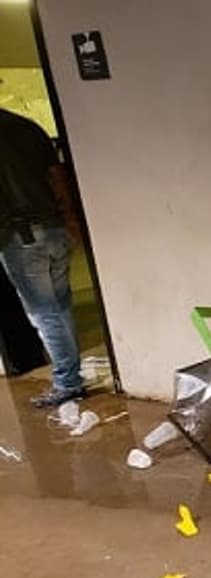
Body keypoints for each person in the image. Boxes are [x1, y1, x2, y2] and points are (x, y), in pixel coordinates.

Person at [0, 108, 84, 407]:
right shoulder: (27, 127)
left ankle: (67, 382)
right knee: (61, 307)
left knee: (43, 313)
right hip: (55, 227)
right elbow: (57, 174)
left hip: (20, 237)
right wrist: (70, 218)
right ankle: (72, 375)